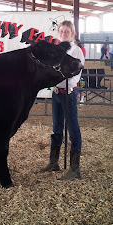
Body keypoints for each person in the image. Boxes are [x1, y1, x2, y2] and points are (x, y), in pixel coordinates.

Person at [40, 21, 85, 180]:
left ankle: (75, 168)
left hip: (68, 92)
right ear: (59, 33)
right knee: (56, 128)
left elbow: (77, 74)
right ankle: (54, 162)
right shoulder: (56, 50)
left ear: (72, 33)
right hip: (57, 92)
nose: (64, 33)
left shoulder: (76, 50)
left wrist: (66, 80)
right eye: (62, 31)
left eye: (67, 31)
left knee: (73, 128)